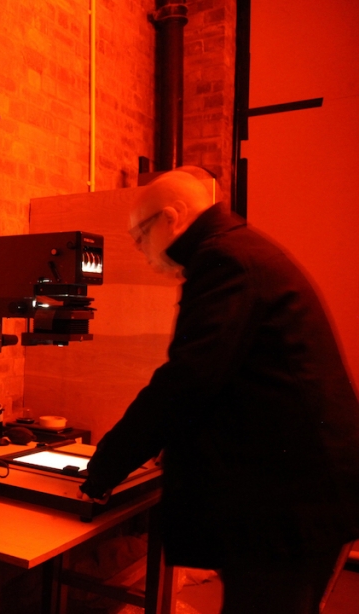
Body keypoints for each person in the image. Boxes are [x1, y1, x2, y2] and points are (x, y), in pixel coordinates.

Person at [78, 166, 359, 613]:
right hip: (298, 493)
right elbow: (228, 379)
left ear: (171, 218)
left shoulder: (224, 260)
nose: (139, 249)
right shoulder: (237, 249)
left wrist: (104, 468)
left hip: (291, 504)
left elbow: (186, 381)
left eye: (140, 236)